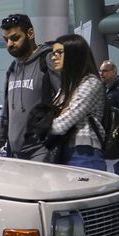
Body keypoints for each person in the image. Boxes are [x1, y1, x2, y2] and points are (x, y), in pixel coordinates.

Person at [0, 14, 60, 160]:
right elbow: (5, 114)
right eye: (6, 40)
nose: (9, 44)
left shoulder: (48, 60)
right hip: (15, 154)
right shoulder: (12, 70)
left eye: (15, 38)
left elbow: (66, 101)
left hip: (43, 152)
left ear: (30, 33)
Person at [46, 34, 106, 170]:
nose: (54, 57)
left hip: (84, 154)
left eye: (59, 52)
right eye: (53, 53)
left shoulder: (90, 83)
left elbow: (63, 123)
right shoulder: (68, 86)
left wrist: (41, 128)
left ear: (74, 54)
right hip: (65, 150)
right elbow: (54, 116)